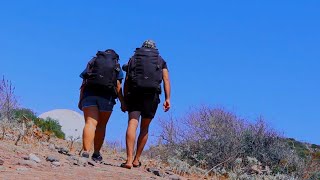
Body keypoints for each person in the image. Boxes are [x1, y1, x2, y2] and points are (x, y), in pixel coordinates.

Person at [121, 40, 171, 169]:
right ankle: (137, 159)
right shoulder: (160, 60)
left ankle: (128, 160)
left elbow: (127, 80)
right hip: (152, 96)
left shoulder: (134, 58)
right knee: (144, 128)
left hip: (134, 93)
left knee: (132, 123)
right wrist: (168, 98)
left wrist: (125, 98)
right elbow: (166, 79)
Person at [78, 49, 126, 162]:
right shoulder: (116, 66)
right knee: (101, 126)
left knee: (90, 123)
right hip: (107, 98)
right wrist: (123, 102)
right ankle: (96, 153)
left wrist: (81, 99)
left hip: (89, 94)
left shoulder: (93, 62)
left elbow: (84, 82)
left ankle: (85, 151)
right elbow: (118, 86)